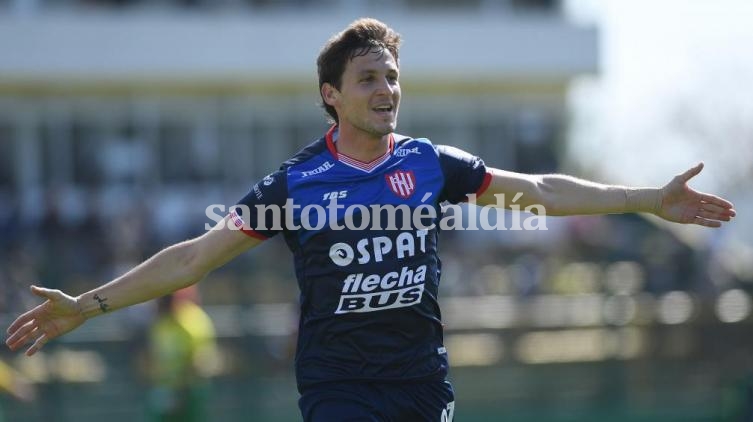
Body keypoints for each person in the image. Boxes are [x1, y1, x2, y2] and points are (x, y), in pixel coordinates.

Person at [4, 18, 736, 422]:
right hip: (339, 388)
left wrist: (647, 198)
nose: (385, 88)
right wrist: (89, 306)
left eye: (391, 76)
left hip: (421, 383)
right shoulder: (297, 182)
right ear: (332, 96)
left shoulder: (429, 163)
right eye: (367, 79)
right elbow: (194, 257)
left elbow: (539, 189)